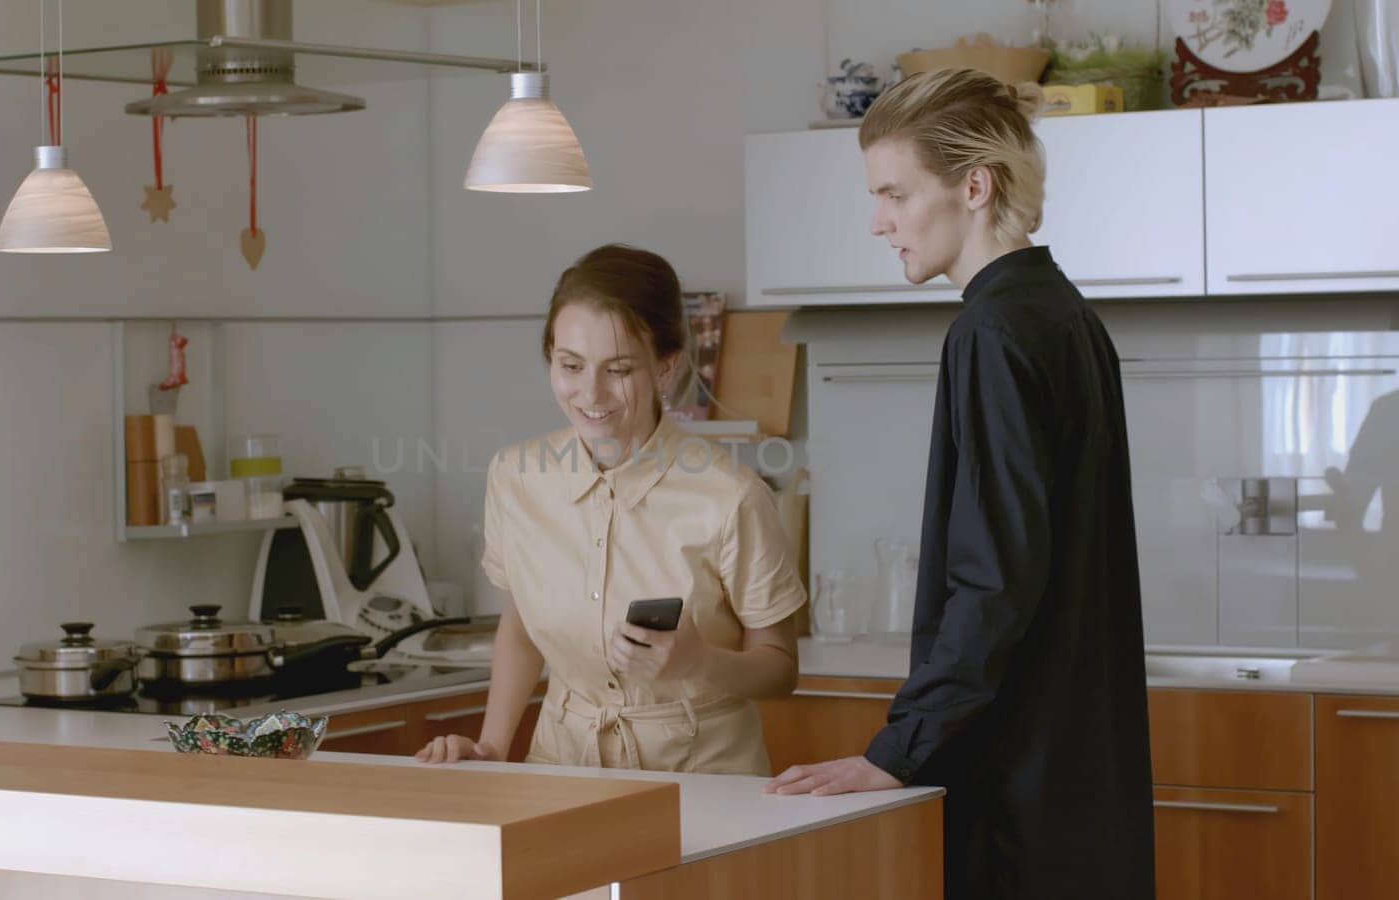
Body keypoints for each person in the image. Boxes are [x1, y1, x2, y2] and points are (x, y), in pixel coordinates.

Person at [766, 68, 1156, 900]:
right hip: (1081, 780)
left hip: (1016, 780)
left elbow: (994, 578)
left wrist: (896, 749)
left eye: (894, 195)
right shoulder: (1065, 314)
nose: (880, 223)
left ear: (973, 187)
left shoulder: (991, 329)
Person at [417, 244, 806, 774]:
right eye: (570, 365)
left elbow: (781, 670)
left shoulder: (730, 494)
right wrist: (491, 748)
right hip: (562, 766)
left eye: (618, 369)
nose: (590, 393)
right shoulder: (515, 477)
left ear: (665, 369)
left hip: (701, 775)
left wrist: (699, 663)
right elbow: (521, 627)